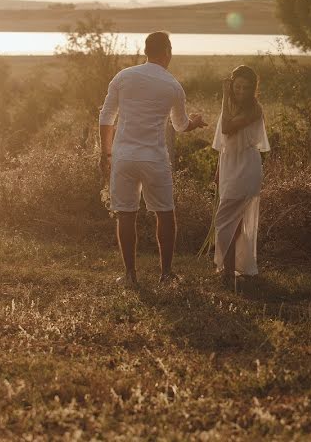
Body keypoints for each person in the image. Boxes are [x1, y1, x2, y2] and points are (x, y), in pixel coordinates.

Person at [99, 31, 207, 288]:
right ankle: (166, 274)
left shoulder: (123, 77)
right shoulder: (172, 85)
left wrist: (106, 154)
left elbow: (106, 117)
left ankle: (129, 276)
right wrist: (196, 122)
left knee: (125, 214)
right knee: (165, 214)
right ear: (168, 51)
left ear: (146, 50)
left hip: (123, 156)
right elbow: (180, 126)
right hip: (154, 159)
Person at [210, 65, 269, 289]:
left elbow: (226, 128)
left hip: (246, 167)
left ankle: (226, 272)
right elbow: (225, 144)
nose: (240, 91)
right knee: (233, 223)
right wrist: (218, 172)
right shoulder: (230, 105)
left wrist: (224, 95)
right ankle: (231, 269)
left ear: (254, 89)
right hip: (228, 166)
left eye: (246, 88)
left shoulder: (255, 109)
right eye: (236, 87)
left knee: (223, 221)